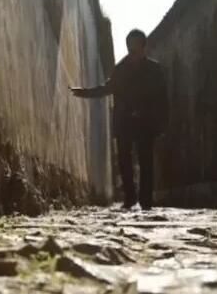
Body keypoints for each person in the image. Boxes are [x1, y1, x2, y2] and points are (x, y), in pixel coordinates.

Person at [70, 29, 169, 210]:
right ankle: (130, 197)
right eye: (130, 45)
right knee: (124, 159)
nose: (133, 49)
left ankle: (146, 199)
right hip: (124, 121)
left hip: (146, 121)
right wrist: (85, 93)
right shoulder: (121, 69)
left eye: (136, 45)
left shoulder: (154, 70)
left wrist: (161, 122)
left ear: (143, 47)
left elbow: (163, 98)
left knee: (146, 160)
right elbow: (107, 88)